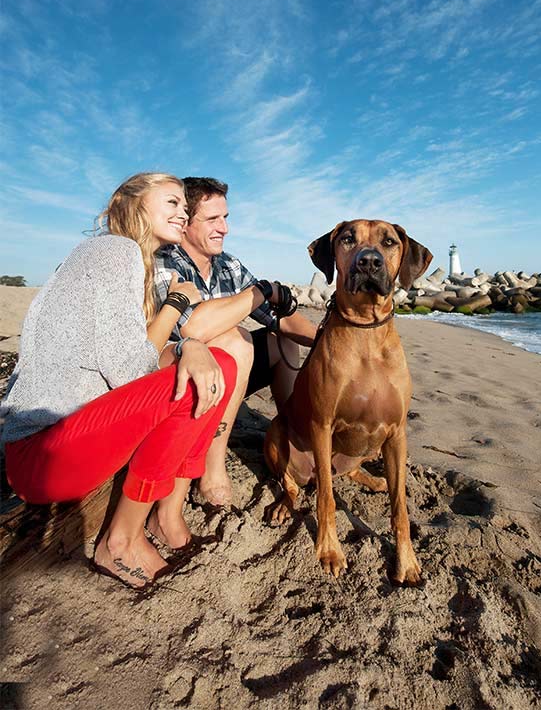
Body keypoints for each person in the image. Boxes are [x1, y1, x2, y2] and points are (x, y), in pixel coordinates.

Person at [0, 172, 275, 589]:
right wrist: (189, 348)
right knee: (206, 372)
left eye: (185, 207)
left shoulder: (127, 259)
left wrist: (184, 333)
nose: (182, 213)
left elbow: (134, 356)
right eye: (171, 203)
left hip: (60, 443)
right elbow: (130, 370)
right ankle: (122, 540)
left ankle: (163, 517)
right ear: (133, 203)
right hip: (44, 454)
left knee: (215, 364)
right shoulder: (114, 252)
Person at [154, 176, 317, 507]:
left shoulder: (228, 264)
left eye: (225, 218)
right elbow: (191, 328)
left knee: (281, 341)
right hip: (177, 375)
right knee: (236, 338)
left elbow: (277, 316)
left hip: (227, 370)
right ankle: (211, 469)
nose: (224, 228)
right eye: (213, 219)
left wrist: (327, 339)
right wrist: (257, 293)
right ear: (185, 222)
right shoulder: (164, 261)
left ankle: (292, 438)